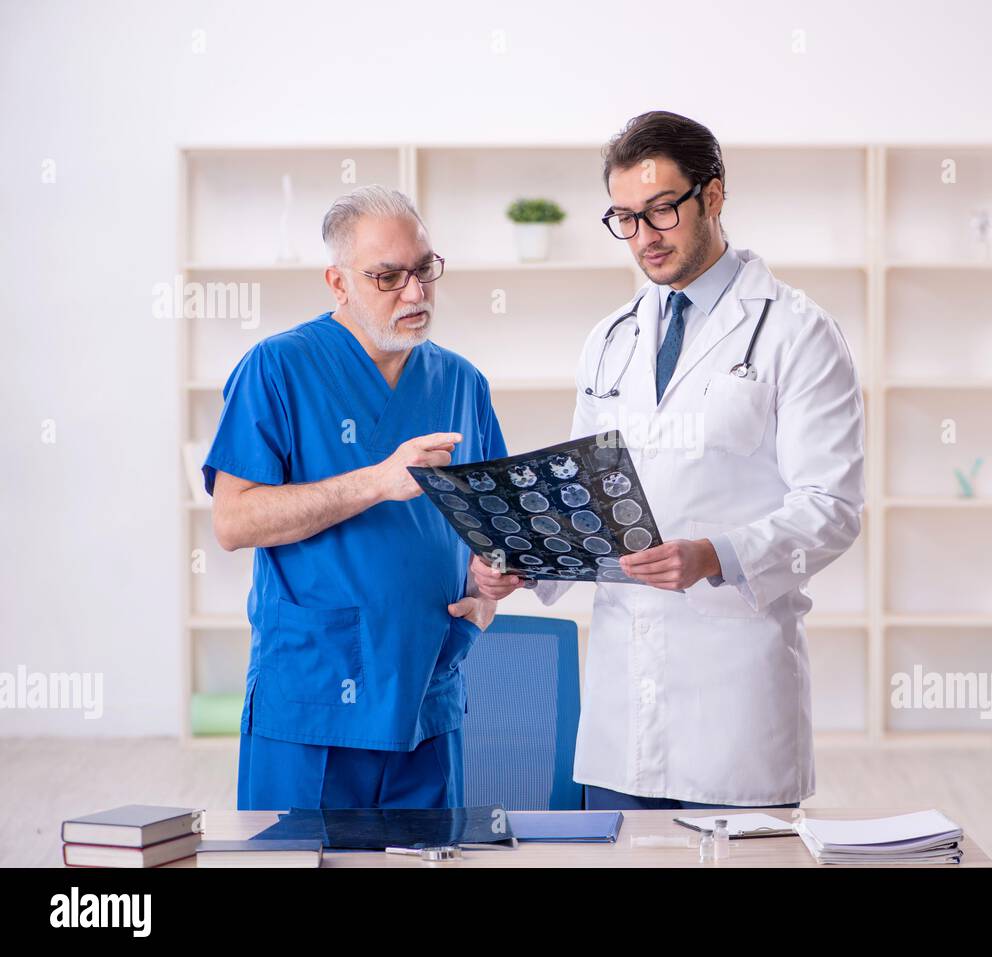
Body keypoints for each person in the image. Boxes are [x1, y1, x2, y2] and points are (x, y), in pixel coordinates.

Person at [472, 111, 866, 809]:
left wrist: (715, 554)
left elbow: (832, 508)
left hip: (735, 711)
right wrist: (527, 559)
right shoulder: (611, 339)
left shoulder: (797, 331)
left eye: (661, 211)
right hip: (623, 710)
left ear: (713, 197)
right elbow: (584, 493)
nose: (644, 238)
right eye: (625, 218)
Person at [205, 185, 500, 810]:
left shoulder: (461, 383)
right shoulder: (277, 369)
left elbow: (489, 530)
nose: (415, 293)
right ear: (338, 283)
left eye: (424, 270)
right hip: (314, 699)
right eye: (388, 277)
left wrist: (489, 592)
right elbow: (233, 521)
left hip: (427, 693)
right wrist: (376, 481)